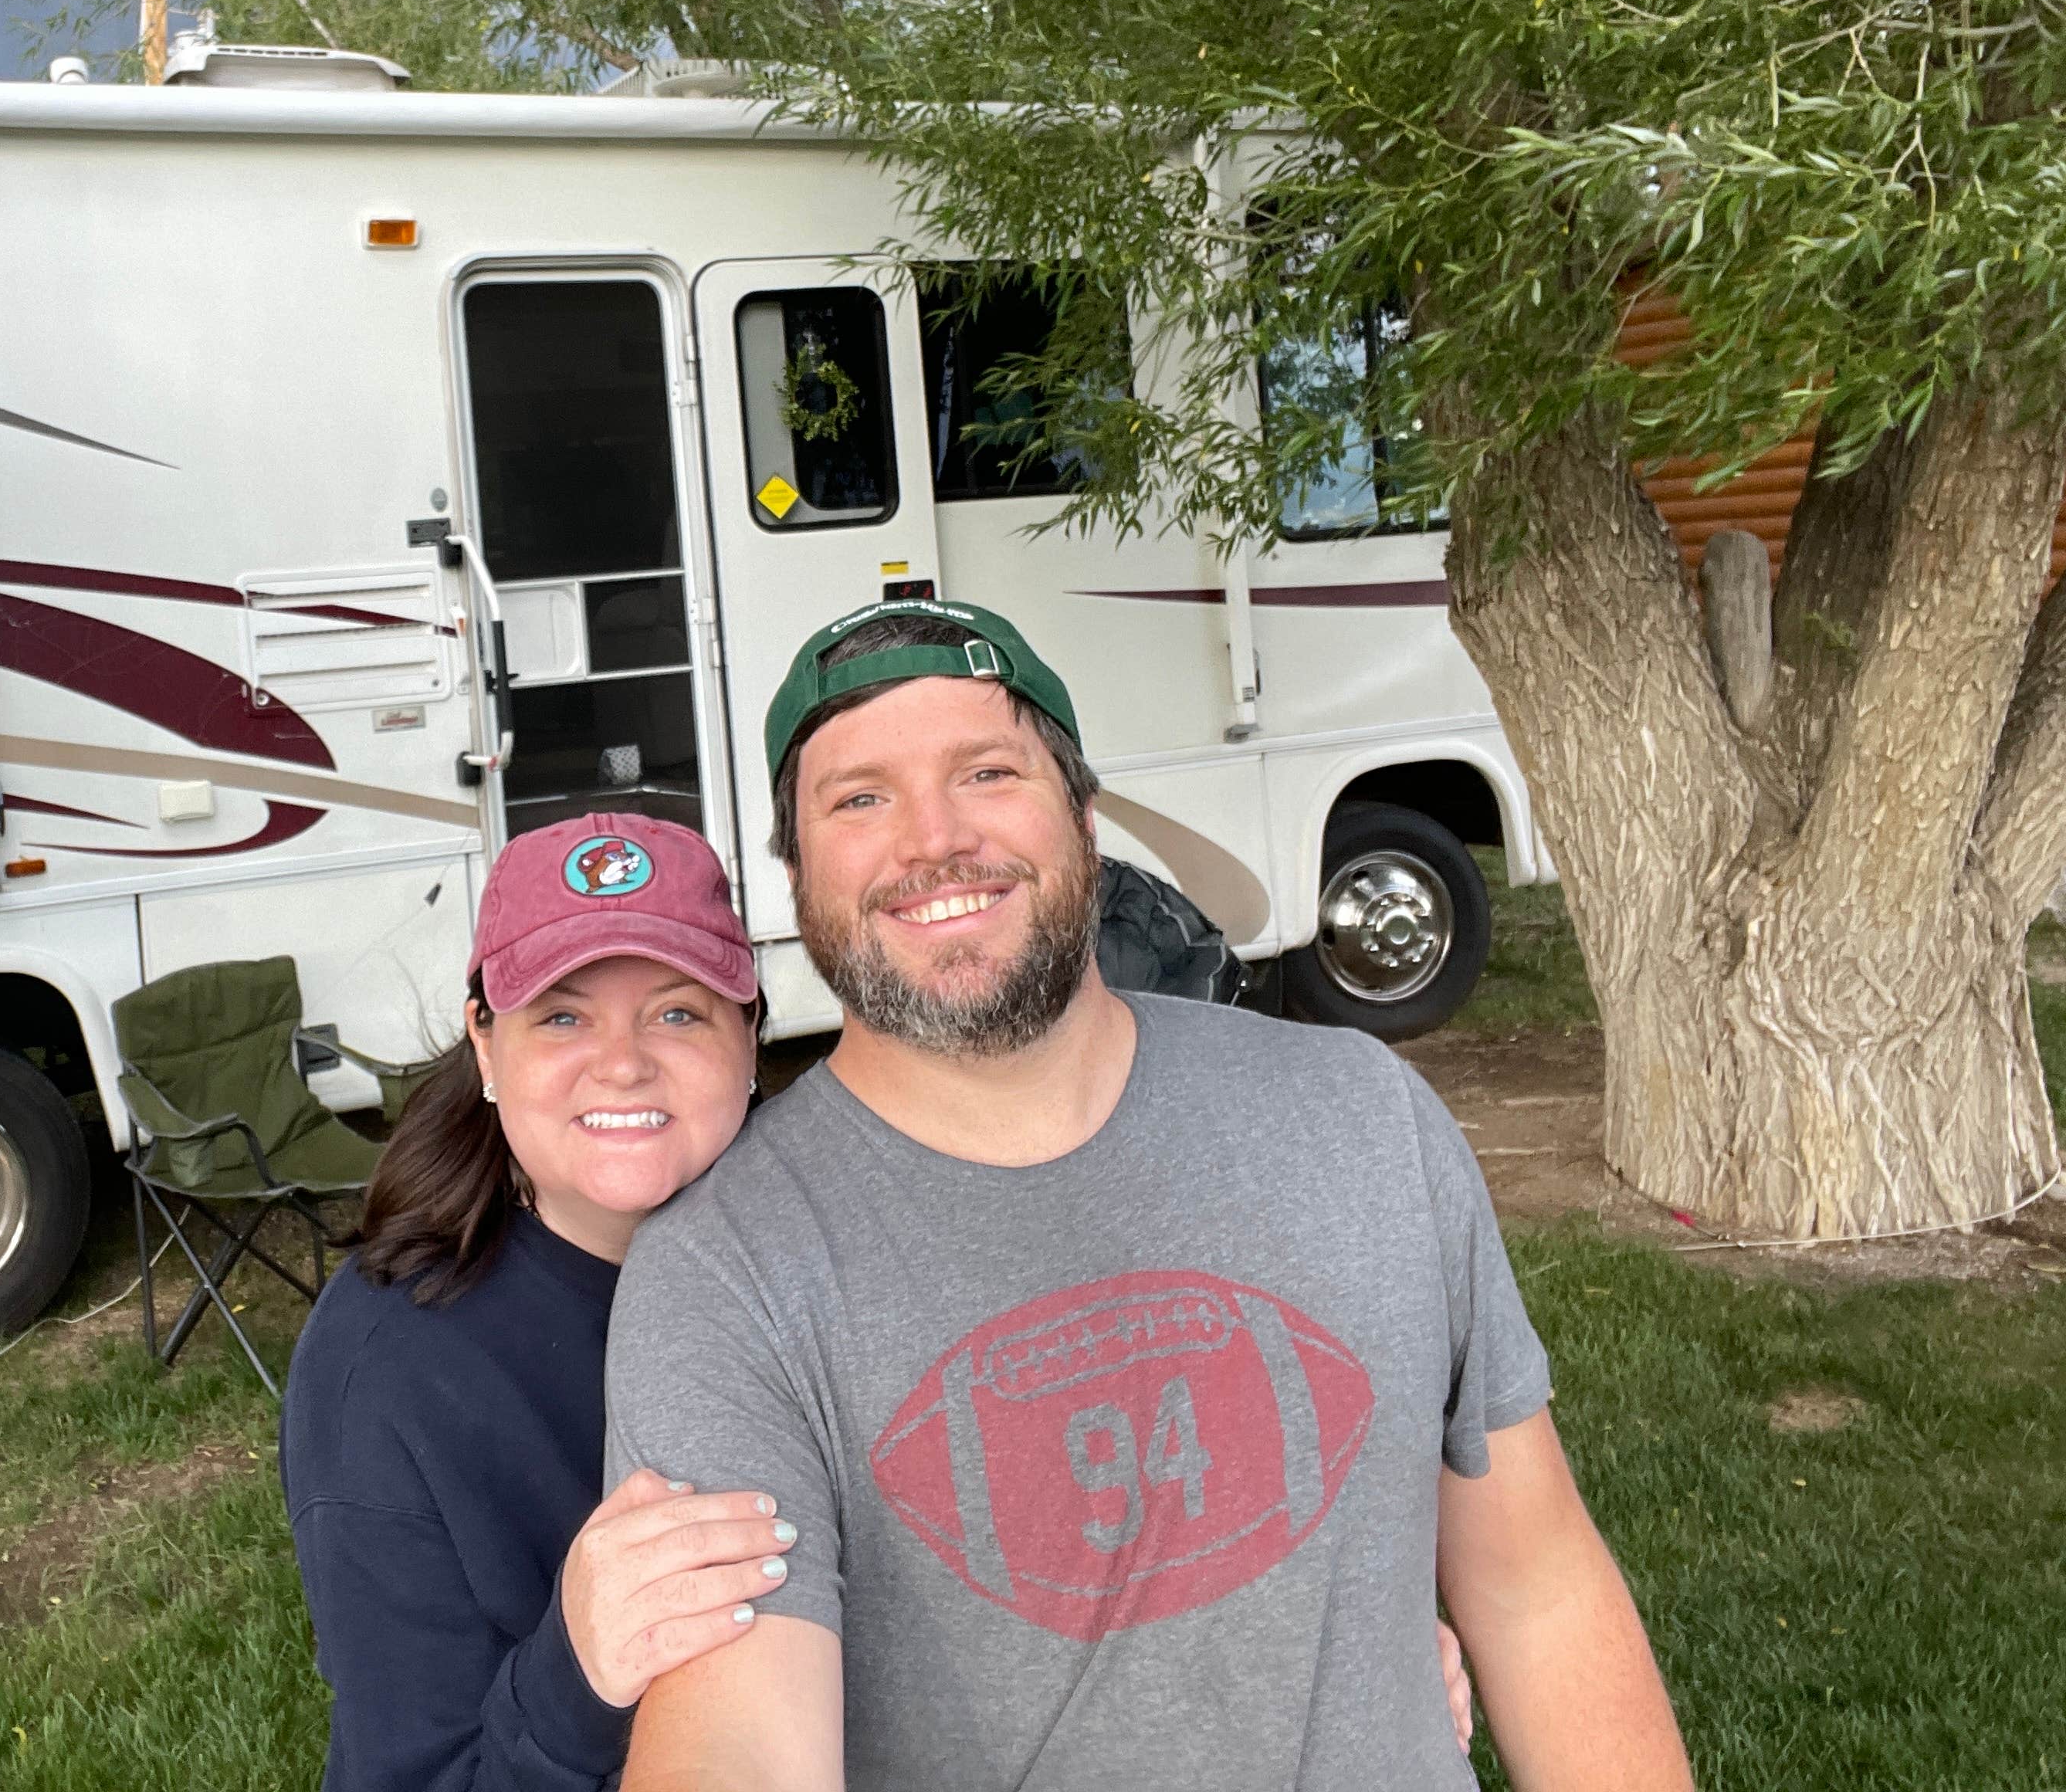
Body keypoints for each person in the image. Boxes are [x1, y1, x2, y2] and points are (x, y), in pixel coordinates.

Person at [606, 599, 1692, 1792]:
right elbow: (740, 1740)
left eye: (987, 770)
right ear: (799, 869)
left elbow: (1536, 1587)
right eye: (858, 798)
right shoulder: (726, 1273)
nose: (933, 838)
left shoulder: (1360, 1116)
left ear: (1082, 815)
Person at [279, 815, 792, 1792]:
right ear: (485, 1042)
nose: (624, 1063)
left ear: (750, 1034)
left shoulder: (825, 1242)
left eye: (678, 1012)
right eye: (562, 1015)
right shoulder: (387, 1373)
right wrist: (579, 1671)